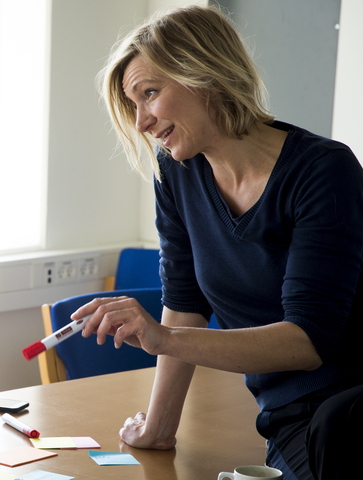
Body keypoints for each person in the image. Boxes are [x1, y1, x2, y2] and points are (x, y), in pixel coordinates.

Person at [88, 5, 363, 480]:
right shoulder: (176, 174)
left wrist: (163, 337)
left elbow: (308, 340)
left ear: (204, 74)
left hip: (348, 405)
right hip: (287, 413)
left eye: (149, 94)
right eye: (134, 105)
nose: (141, 122)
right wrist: (158, 427)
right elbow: (184, 299)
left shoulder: (323, 170)